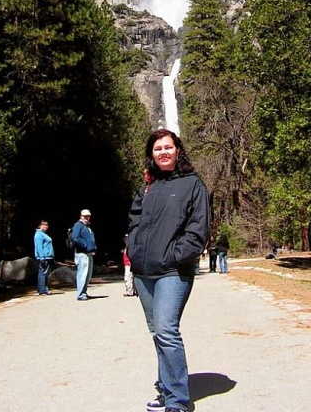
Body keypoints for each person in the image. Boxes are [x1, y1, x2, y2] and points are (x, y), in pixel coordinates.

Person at [127, 129, 209, 412]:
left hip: (174, 271)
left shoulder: (193, 184)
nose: (163, 152)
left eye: (168, 147)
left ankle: (177, 401)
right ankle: (165, 389)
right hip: (144, 272)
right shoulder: (147, 187)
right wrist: (134, 250)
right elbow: (133, 221)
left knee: (166, 330)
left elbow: (198, 230)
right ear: (152, 154)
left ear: (178, 150)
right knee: (157, 332)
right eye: (157, 148)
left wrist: (174, 255)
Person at [72, 209, 96, 301]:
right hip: (81, 253)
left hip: (88, 253)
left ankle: (84, 292)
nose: (87, 218)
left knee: (88, 274)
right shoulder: (78, 225)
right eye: (85, 216)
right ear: (81, 216)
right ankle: (80, 294)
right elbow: (75, 238)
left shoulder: (87, 226)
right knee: (82, 274)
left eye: (88, 216)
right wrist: (85, 245)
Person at [34, 220, 54, 295]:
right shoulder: (39, 234)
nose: (46, 227)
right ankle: (42, 290)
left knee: (43, 273)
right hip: (44, 257)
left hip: (47, 256)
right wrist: (42, 257)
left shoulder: (43, 234)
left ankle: (43, 289)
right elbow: (39, 247)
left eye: (47, 225)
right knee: (43, 273)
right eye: (44, 225)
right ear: (39, 225)